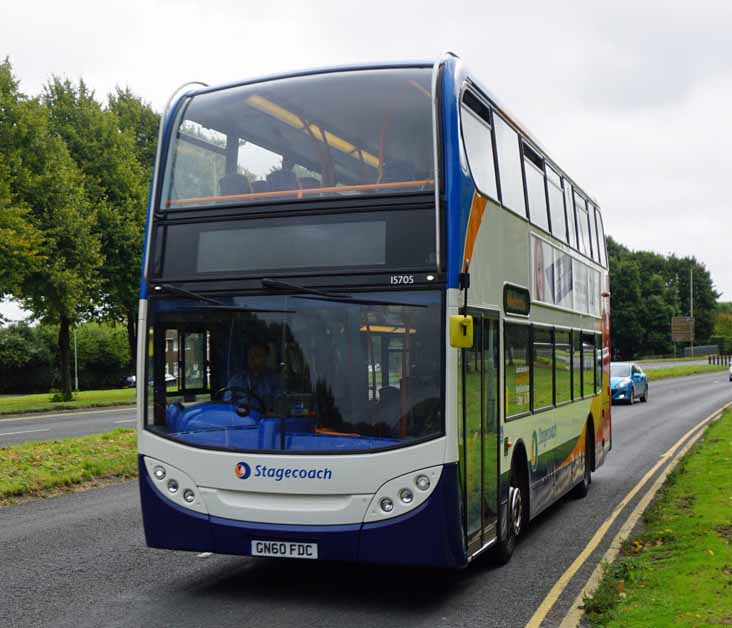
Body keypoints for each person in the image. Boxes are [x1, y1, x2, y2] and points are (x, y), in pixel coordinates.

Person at [226, 343, 280, 411]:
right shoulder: (237, 379)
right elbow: (226, 404)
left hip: (264, 419)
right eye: (250, 355)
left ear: (266, 358)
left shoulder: (274, 380)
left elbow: (279, 404)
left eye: (257, 355)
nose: (252, 358)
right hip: (239, 418)